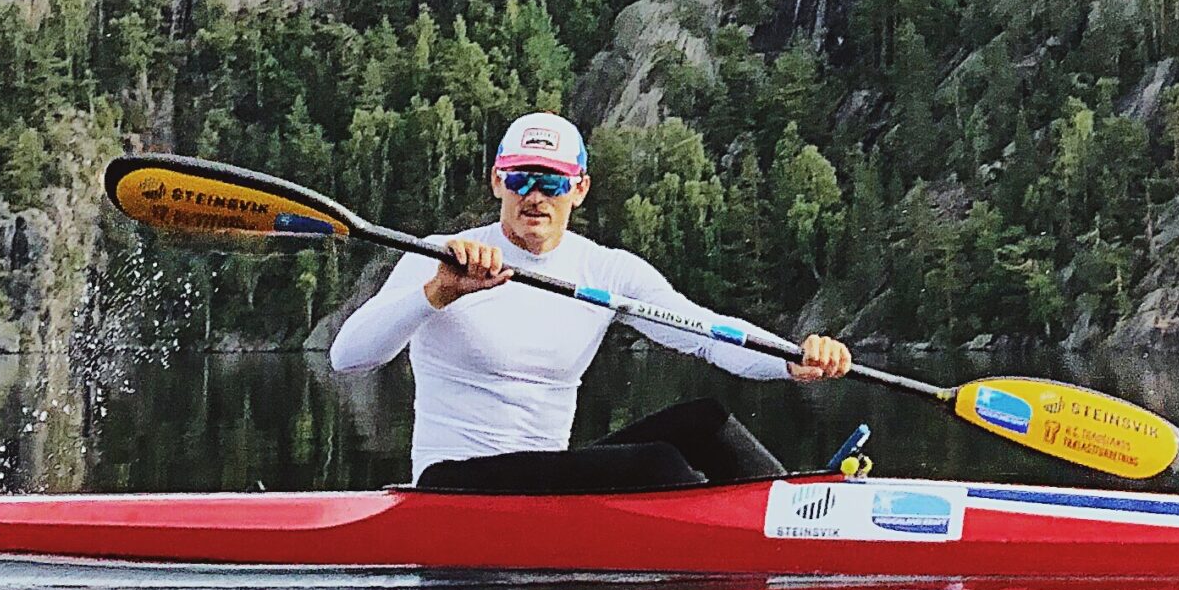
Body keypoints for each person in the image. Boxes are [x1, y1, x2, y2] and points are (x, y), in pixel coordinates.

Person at [326, 111, 851, 482]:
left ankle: (794, 519)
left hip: (546, 479)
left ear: (579, 190)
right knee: (658, 467)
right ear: (496, 182)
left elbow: (707, 334)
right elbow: (347, 358)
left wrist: (792, 360)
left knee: (704, 421)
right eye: (521, 178)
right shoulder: (443, 255)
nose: (534, 196)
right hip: (454, 480)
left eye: (552, 182)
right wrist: (437, 293)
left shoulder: (606, 270)